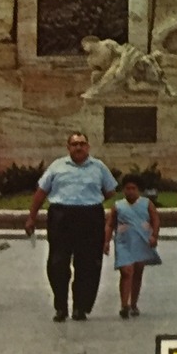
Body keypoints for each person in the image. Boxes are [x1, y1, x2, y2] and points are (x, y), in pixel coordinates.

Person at [25, 132, 117, 322]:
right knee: (57, 263)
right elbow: (41, 192)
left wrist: (89, 200)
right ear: (68, 148)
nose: (79, 148)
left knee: (88, 264)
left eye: (82, 144)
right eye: (74, 144)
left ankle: (80, 307)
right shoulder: (57, 166)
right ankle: (61, 307)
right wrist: (31, 218)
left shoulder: (98, 167)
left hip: (90, 217)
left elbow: (110, 191)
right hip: (62, 217)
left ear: (88, 147)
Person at [105, 176, 160, 318]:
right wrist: (106, 241)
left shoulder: (147, 204)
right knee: (126, 271)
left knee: (137, 272)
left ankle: (134, 303)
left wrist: (154, 235)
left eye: (133, 189)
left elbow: (155, 219)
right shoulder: (118, 206)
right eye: (127, 189)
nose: (130, 192)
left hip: (141, 241)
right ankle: (124, 305)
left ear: (139, 190)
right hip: (123, 242)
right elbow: (110, 224)